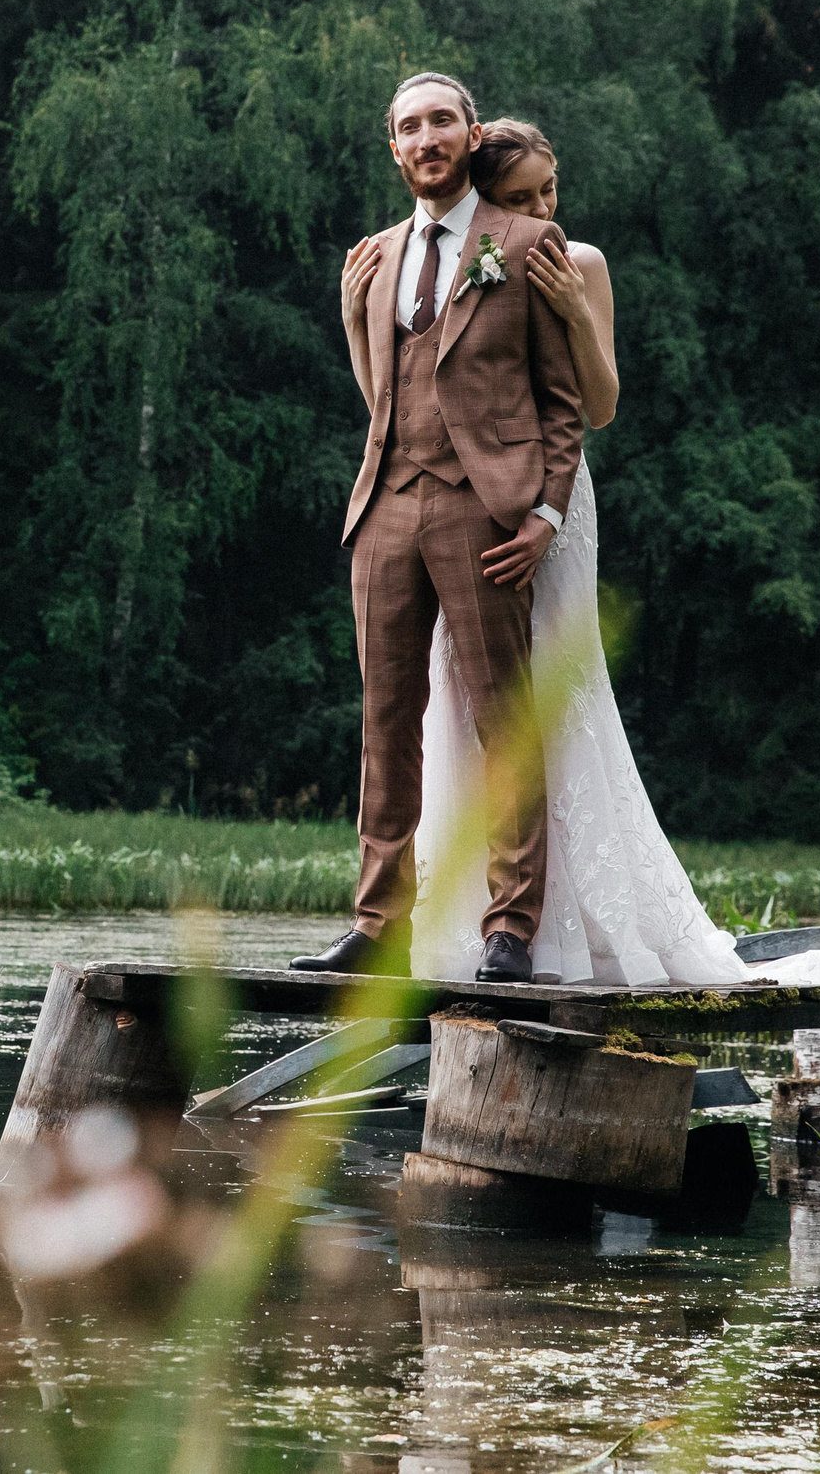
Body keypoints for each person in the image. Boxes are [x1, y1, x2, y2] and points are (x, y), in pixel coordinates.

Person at [407, 117, 820, 986]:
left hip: (554, 503)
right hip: (465, 505)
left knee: (556, 691)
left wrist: (572, 309)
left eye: (549, 192)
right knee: (458, 688)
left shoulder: (583, 264)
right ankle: (478, 916)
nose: (543, 211)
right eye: (520, 198)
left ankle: (573, 921)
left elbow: (600, 404)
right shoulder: (455, 266)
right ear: (486, 201)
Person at [290, 75, 586, 985]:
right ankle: (380, 925)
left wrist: (544, 511)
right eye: (410, 126)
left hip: (485, 510)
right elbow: (384, 390)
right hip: (384, 508)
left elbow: (563, 402)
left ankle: (511, 927)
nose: (427, 138)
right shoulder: (373, 258)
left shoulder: (526, 244)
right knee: (385, 720)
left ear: (470, 133)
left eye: (442, 121)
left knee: (505, 720)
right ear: (394, 148)